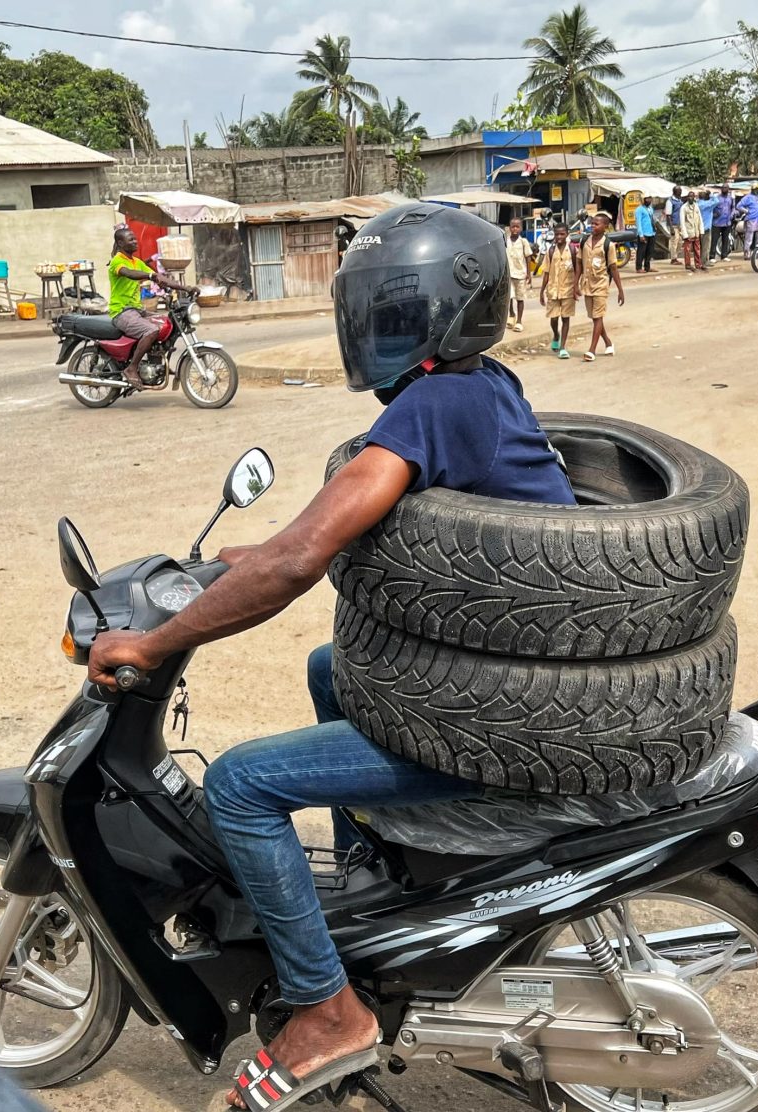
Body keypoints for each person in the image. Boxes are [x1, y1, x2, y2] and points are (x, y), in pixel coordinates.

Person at [86, 203, 577, 1112]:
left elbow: (304, 557)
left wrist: (153, 640)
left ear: (436, 311)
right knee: (328, 669)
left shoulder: (436, 403)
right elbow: (338, 530)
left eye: (390, 311)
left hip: (503, 725)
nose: (370, 329)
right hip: (527, 687)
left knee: (239, 785)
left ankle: (326, 1010)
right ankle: (375, 884)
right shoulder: (483, 386)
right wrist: (246, 556)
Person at [108, 225, 198, 388]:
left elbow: (158, 277)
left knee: (165, 324)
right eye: (131, 239)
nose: (135, 241)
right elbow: (129, 273)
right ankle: (132, 368)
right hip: (121, 312)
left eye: (135, 238)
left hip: (137, 310)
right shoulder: (117, 261)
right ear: (120, 243)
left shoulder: (136, 262)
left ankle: (157, 364)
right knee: (151, 330)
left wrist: (185, 288)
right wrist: (149, 275)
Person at [581, 211, 625, 361]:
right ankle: (608, 342)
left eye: (596, 224)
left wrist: (620, 290)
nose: (593, 226)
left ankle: (591, 350)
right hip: (587, 285)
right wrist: (575, 285)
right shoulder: (585, 242)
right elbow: (579, 264)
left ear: (605, 227)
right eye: (592, 223)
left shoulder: (608, 245)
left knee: (598, 316)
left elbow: (613, 268)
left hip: (601, 284)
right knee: (595, 318)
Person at [538, 222, 580, 358]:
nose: (559, 237)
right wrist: (541, 291)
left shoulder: (573, 251)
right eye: (557, 234)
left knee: (566, 318)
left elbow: (578, 270)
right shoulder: (550, 251)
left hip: (568, 290)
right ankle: (556, 334)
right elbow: (546, 273)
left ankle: (563, 347)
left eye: (562, 234)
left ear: (567, 234)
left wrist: (576, 287)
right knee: (554, 318)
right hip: (553, 290)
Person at [504, 216, 533, 331]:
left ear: (521, 228)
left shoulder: (523, 242)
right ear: (509, 228)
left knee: (520, 298)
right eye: (513, 227)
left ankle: (519, 321)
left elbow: (528, 257)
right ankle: (511, 315)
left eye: (517, 227)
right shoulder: (506, 241)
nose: (515, 229)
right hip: (509, 273)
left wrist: (529, 274)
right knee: (509, 296)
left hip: (520, 274)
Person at [679, 191, 705, 273]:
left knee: (697, 249)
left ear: (694, 198)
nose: (690, 198)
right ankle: (688, 265)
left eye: (692, 197)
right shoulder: (684, 208)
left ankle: (698, 264)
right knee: (687, 250)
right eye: (689, 196)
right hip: (688, 232)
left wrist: (701, 230)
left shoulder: (696, 206)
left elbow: (700, 219)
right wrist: (684, 234)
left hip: (696, 231)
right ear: (687, 197)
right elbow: (682, 222)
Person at [736, 185, 758, 259]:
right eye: (757, 189)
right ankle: (747, 254)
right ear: (753, 190)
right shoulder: (747, 197)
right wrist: (746, 211)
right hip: (751, 220)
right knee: (749, 238)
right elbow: (738, 206)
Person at [711, 184, 735, 261]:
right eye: (723, 188)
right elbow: (711, 208)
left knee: (725, 239)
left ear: (728, 189)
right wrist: (714, 214)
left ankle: (724, 256)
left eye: (726, 188)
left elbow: (733, 208)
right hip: (717, 222)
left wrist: (731, 215)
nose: (724, 189)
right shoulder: (716, 198)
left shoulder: (730, 198)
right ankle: (712, 256)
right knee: (714, 240)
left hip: (727, 222)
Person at [635, 196, 656, 272]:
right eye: (647, 199)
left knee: (649, 251)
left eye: (650, 198)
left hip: (652, 232)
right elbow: (638, 223)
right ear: (643, 200)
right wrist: (641, 235)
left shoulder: (650, 209)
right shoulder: (639, 209)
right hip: (643, 233)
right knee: (641, 251)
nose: (649, 200)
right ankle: (639, 268)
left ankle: (647, 267)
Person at [697, 189, 718, 265]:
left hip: (698, 228)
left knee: (699, 246)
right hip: (706, 228)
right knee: (706, 246)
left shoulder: (696, 204)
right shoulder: (707, 204)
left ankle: (698, 261)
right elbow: (716, 201)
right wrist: (711, 194)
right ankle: (704, 261)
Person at [664, 186, 683, 265]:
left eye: (680, 190)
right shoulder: (670, 201)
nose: (680, 192)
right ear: (675, 191)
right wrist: (671, 228)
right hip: (673, 224)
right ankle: (673, 259)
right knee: (674, 241)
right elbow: (668, 215)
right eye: (679, 191)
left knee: (680, 242)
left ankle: (676, 257)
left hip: (680, 224)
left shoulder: (679, 200)